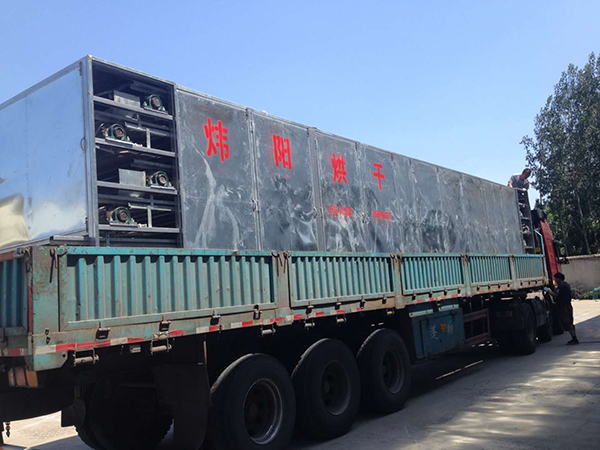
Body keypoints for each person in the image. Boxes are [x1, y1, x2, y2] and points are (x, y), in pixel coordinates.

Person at [544, 273, 579, 345]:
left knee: (567, 322)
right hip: (567, 305)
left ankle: (574, 338)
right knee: (569, 322)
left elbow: (556, 295)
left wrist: (548, 291)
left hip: (564, 307)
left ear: (558, 278)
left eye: (555, 278)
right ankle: (574, 337)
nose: (554, 280)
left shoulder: (562, 286)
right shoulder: (566, 285)